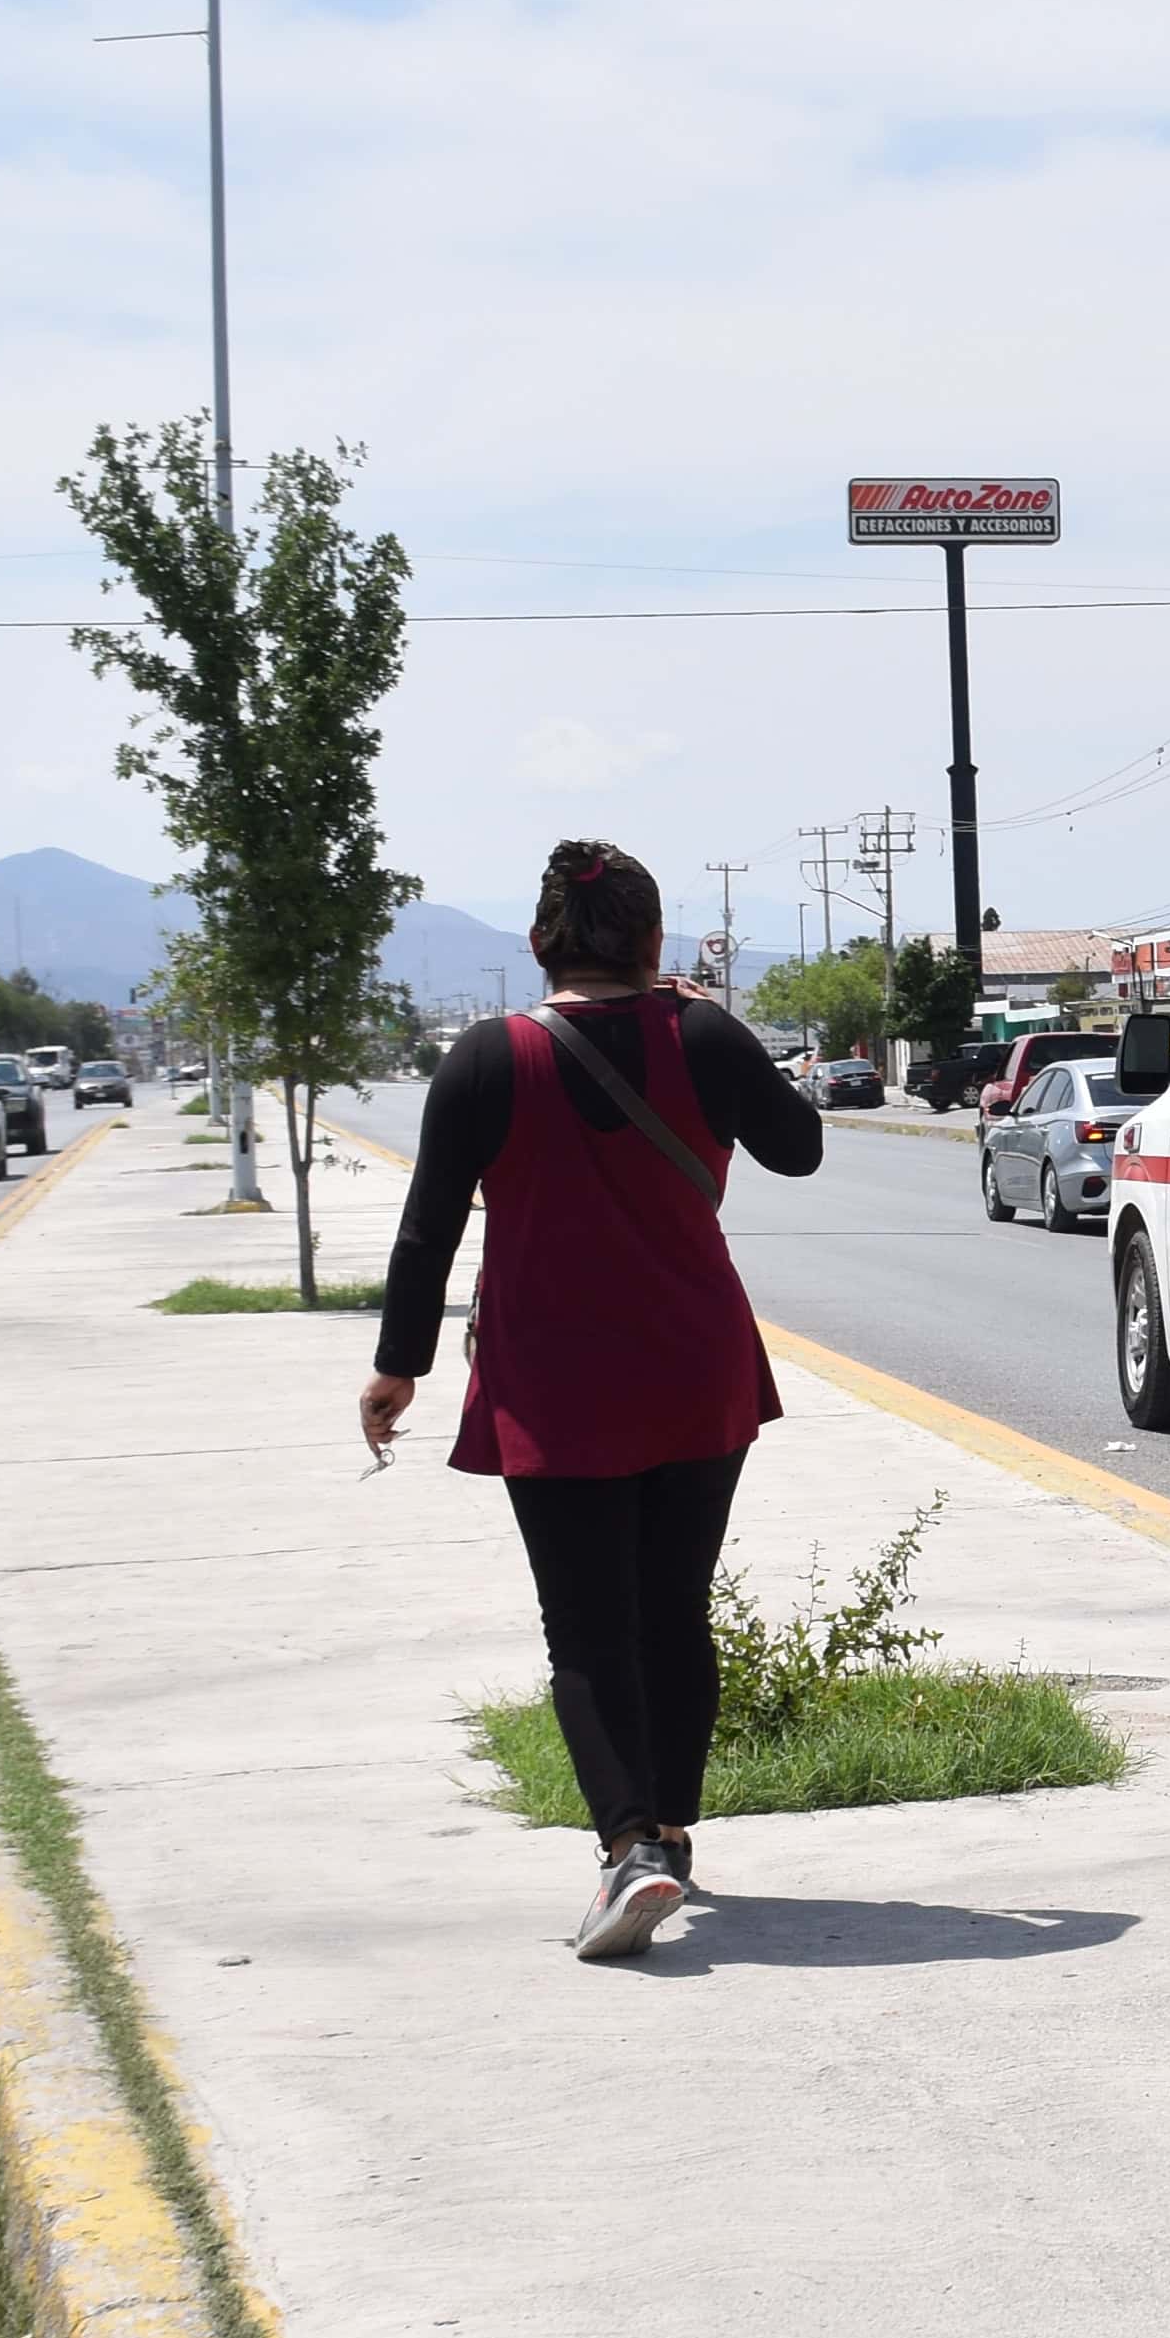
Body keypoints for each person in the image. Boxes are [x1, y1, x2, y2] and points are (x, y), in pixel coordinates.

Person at [360, 840, 831, 1960]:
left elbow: (429, 1225)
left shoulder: (486, 1058)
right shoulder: (703, 1036)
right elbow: (802, 1149)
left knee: (585, 1626)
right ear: (657, 943)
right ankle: (667, 1830)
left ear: (538, 946)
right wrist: (719, 1025)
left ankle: (629, 1847)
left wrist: (399, 1366)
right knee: (676, 1610)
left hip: (553, 1376)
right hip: (693, 1364)